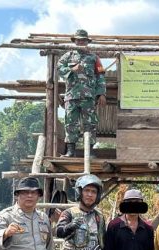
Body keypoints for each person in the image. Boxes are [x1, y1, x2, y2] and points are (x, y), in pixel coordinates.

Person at [57, 29, 107, 157]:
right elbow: (58, 68)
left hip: (88, 97)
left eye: (83, 40)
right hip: (71, 96)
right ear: (75, 41)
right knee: (70, 123)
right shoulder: (68, 56)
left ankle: (89, 152)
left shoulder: (94, 58)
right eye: (78, 40)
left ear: (87, 41)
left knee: (90, 124)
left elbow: (100, 76)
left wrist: (101, 94)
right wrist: (71, 69)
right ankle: (70, 152)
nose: (81, 42)